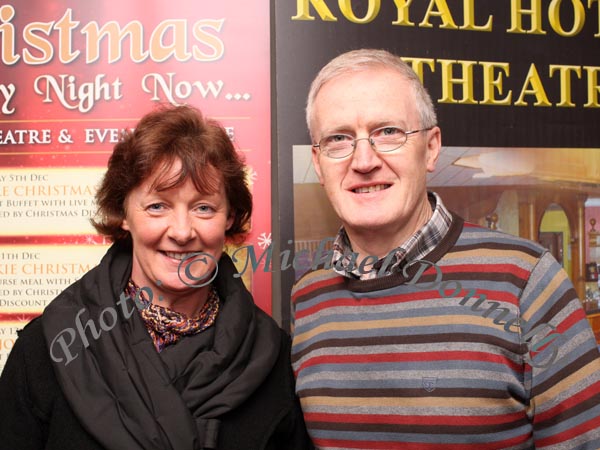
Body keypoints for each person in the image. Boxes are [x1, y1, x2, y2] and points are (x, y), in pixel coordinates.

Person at [291, 49, 600, 449]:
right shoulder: (307, 298)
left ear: (432, 147)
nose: (363, 160)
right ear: (318, 162)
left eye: (388, 132)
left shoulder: (526, 280)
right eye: (338, 139)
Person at [0, 104, 312, 450]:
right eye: (157, 206)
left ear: (230, 217)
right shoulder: (50, 348)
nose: (181, 232)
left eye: (203, 207)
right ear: (123, 213)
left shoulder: (271, 356)